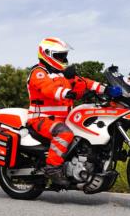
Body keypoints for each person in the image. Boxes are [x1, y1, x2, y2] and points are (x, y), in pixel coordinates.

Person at [26, 37, 105, 187]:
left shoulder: (63, 74)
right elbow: (49, 89)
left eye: (64, 55)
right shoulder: (39, 73)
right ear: (47, 54)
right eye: (60, 56)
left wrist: (104, 88)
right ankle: (52, 168)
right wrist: (68, 93)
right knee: (64, 133)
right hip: (41, 119)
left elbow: (84, 82)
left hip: (63, 119)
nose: (64, 58)